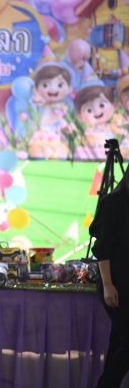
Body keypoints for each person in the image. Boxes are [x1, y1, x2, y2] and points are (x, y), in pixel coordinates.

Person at [90, 166, 129, 388]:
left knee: (119, 342)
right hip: (115, 282)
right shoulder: (113, 202)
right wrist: (108, 285)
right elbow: (102, 248)